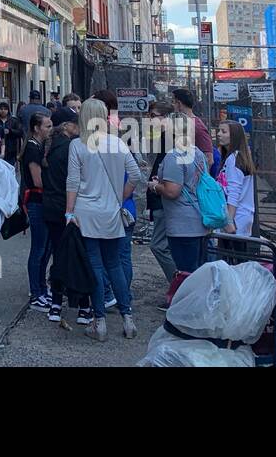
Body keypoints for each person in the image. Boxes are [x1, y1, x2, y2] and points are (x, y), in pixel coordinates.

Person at [66, 98, 141, 341]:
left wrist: (69, 212)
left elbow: (73, 182)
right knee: (114, 264)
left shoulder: (78, 145)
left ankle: (99, 322)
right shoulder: (118, 144)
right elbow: (136, 174)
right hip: (111, 212)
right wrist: (120, 196)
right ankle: (127, 319)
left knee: (95, 266)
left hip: (86, 213)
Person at [42, 105, 90, 325]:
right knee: (78, 256)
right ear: (67, 126)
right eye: (75, 123)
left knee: (58, 256)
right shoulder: (73, 147)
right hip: (71, 208)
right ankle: (83, 305)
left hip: (51, 207)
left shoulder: (49, 146)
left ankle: (55, 303)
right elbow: (76, 180)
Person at [150, 112, 210, 278]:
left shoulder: (174, 156)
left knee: (185, 273)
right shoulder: (197, 153)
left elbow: (172, 191)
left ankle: (187, 302)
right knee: (197, 271)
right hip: (199, 220)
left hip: (182, 225)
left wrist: (156, 186)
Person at [22, 110, 53, 312]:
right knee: (39, 249)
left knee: (45, 248)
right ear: (36, 128)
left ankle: (42, 287)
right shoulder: (33, 149)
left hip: (43, 202)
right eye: (47, 126)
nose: (50, 130)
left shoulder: (39, 147)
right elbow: (37, 180)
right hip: (36, 201)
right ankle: (36, 292)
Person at [145, 101, 178, 283]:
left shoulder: (170, 139)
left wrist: (157, 185)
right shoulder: (165, 138)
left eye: (153, 116)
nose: (150, 120)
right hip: (161, 198)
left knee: (158, 245)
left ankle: (179, 286)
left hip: (164, 199)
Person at [218, 119, 257, 239]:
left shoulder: (234, 159)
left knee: (234, 254)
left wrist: (229, 221)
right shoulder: (236, 157)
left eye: (224, 131)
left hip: (237, 219)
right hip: (240, 216)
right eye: (219, 130)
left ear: (234, 136)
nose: (219, 134)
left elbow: (234, 192)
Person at [172, 86, 214, 164]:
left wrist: (193, 175)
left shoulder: (196, 126)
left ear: (179, 103)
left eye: (173, 102)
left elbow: (209, 159)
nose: (172, 105)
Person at [0, 101, 21, 165]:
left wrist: (10, 131)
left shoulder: (13, 120)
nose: (3, 111)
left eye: (5, 109)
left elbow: (19, 132)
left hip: (11, 150)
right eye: (1, 109)